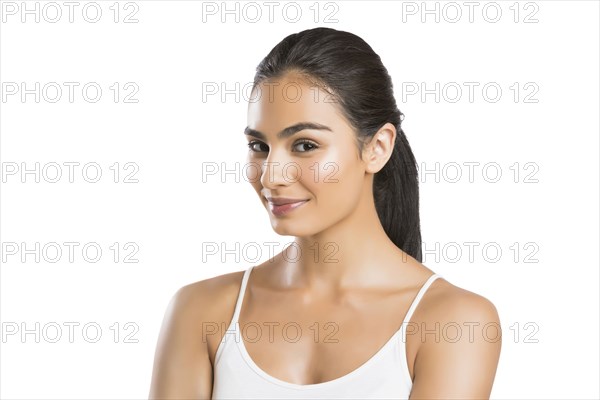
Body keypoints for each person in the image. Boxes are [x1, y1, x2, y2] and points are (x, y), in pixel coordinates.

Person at [149, 27, 501, 399]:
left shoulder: (454, 322)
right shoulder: (200, 312)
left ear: (377, 148)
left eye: (304, 145)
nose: (272, 175)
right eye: (259, 145)